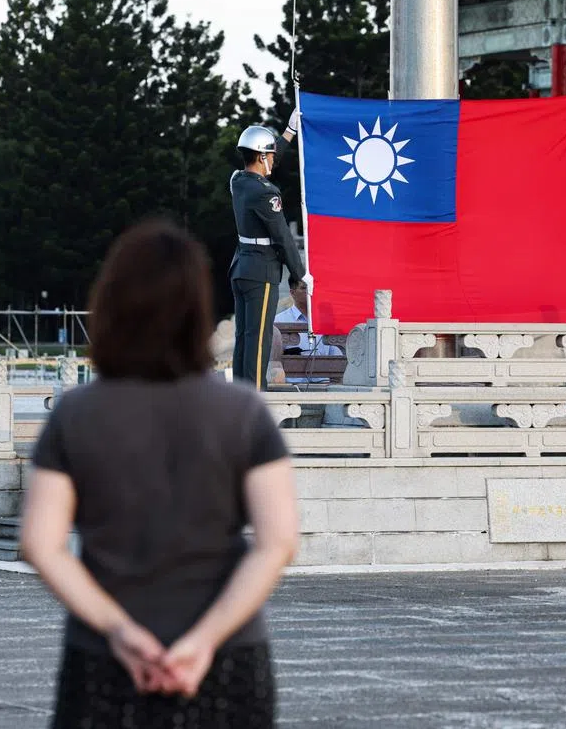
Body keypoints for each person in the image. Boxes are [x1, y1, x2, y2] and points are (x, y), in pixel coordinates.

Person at [21, 219, 299, 729]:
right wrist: (203, 641)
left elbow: (41, 544)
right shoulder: (243, 412)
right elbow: (277, 542)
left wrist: (120, 631)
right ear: (197, 309)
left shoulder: (75, 414)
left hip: (104, 656)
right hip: (227, 656)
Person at [230, 108, 313, 390]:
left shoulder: (238, 182)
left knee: (243, 335)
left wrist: (289, 132)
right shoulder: (266, 193)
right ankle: (255, 396)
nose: (274, 160)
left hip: (241, 266)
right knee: (259, 337)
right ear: (262, 157)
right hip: (261, 270)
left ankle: (242, 393)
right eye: (271, 156)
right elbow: (282, 238)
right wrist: (300, 274)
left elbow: (265, 155)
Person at [275, 280, 344, 358]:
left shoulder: (328, 320)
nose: (309, 292)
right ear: (292, 293)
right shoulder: (279, 320)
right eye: (303, 288)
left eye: (312, 287)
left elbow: (336, 356)